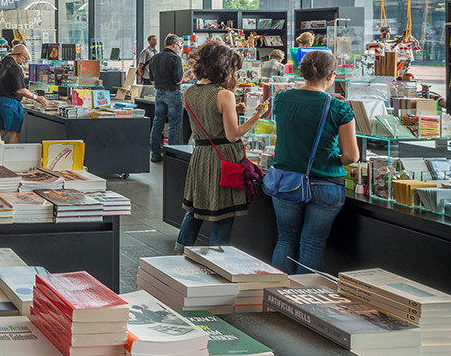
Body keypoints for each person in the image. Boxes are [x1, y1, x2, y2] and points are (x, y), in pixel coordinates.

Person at [266, 49, 359, 273]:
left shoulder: (282, 99)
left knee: (285, 239)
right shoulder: (339, 108)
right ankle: (304, 294)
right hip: (326, 183)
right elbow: (351, 156)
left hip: (286, 180)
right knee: (312, 244)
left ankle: (276, 290)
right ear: (332, 75)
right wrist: (333, 158)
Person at [176, 41, 267, 251]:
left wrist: (233, 110)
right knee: (224, 213)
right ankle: (218, 261)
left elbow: (207, 114)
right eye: (233, 69)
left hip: (200, 156)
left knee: (196, 210)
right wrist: (256, 116)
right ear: (223, 67)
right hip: (223, 158)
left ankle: (178, 253)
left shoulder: (189, 92)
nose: (234, 74)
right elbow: (233, 135)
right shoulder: (224, 94)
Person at [0, 41, 42, 144]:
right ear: (20, 55)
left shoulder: (3, 61)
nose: (23, 62)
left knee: (1, 131)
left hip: (0, 101)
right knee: (14, 134)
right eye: (24, 58)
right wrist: (37, 98)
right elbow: (20, 89)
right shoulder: (15, 67)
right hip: (11, 103)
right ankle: (13, 154)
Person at [148, 34, 185, 162]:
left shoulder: (155, 58)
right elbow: (178, 80)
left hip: (159, 93)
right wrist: (188, 78)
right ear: (174, 45)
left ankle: (155, 153)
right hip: (173, 93)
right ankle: (172, 157)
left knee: (158, 123)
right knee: (174, 125)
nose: (179, 48)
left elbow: (152, 80)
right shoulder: (175, 58)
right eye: (179, 46)